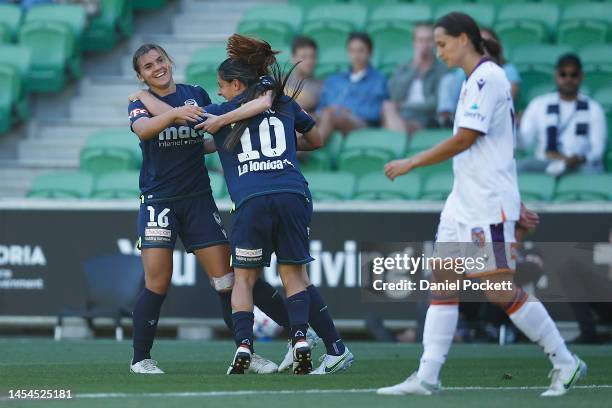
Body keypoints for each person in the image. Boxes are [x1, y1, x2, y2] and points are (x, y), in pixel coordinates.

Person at [377, 13, 585, 397]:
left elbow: (466, 139)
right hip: (464, 201)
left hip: (485, 205)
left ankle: (565, 360)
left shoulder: (489, 78)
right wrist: (517, 197)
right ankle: (427, 376)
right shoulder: (474, 81)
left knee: (498, 290)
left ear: (463, 39)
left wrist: (412, 161)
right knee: (442, 280)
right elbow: (497, 149)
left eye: (442, 44)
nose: (438, 52)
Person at [127, 43, 298, 375]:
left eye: (160, 59)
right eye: (148, 66)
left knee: (226, 280)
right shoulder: (139, 102)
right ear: (141, 75)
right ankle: (140, 358)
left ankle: (253, 349)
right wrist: (174, 114)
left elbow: (210, 138)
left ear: (170, 59)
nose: (157, 67)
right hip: (159, 201)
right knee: (157, 282)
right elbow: (144, 130)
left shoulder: (195, 94)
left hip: (198, 200)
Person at [197, 34, 353, 375]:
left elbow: (185, 127)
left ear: (236, 84)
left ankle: (244, 344)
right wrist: (286, 147)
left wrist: (142, 99)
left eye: (222, 85)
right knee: (294, 273)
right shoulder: (282, 102)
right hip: (292, 193)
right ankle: (300, 338)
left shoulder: (221, 111)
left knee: (244, 279)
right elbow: (317, 139)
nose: (220, 92)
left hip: (251, 200)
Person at [517, 53, 607, 176]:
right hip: (545, 163)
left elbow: (597, 150)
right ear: (556, 76)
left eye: (573, 75)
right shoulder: (538, 104)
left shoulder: (594, 108)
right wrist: (513, 126)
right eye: (563, 74)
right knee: (518, 168)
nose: (568, 79)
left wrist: (580, 159)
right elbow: (524, 142)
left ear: (581, 76)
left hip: (579, 165)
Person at [437, 27, 520, 127]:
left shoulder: (508, 70)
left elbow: (507, 98)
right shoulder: (464, 70)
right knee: (449, 80)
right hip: (467, 115)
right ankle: (445, 119)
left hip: (496, 119)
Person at [316, 32, 388, 146]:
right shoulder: (334, 79)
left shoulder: (378, 80)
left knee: (331, 115)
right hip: (330, 117)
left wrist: (348, 110)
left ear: (370, 53)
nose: (356, 55)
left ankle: (304, 151)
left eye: (361, 50)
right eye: (352, 51)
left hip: (361, 123)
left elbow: (376, 111)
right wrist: (328, 111)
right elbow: (321, 107)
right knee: (301, 117)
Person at [382, 23, 448, 136]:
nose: (425, 45)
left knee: (392, 121)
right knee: (387, 106)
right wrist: (414, 67)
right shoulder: (403, 68)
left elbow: (435, 103)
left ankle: (397, 142)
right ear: (414, 43)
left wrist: (403, 105)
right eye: (420, 40)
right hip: (401, 116)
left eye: (429, 40)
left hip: (425, 118)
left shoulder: (441, 70)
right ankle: (399, 140)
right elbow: (395, 96)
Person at [286, 36, 322, 115]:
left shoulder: (320, 86)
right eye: (304, 57)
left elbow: (304, 103)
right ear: (293, 58)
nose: (309, 61)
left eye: (312, 57)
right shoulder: (282, 80)